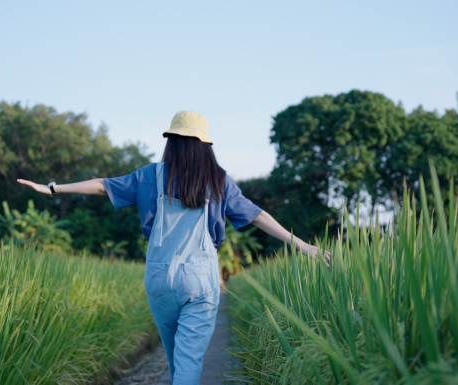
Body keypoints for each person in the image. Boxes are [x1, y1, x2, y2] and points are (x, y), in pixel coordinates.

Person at [17, 110, 331, 384]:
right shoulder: (218, 180)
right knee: (188, 362)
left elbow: (102, 185)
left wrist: (52, 188)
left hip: (158, 279)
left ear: (172, 141)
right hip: (199, 279)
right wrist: (303, 246)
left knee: (176, 362)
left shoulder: (149, 176)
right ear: (206, 145)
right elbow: (257, 215)